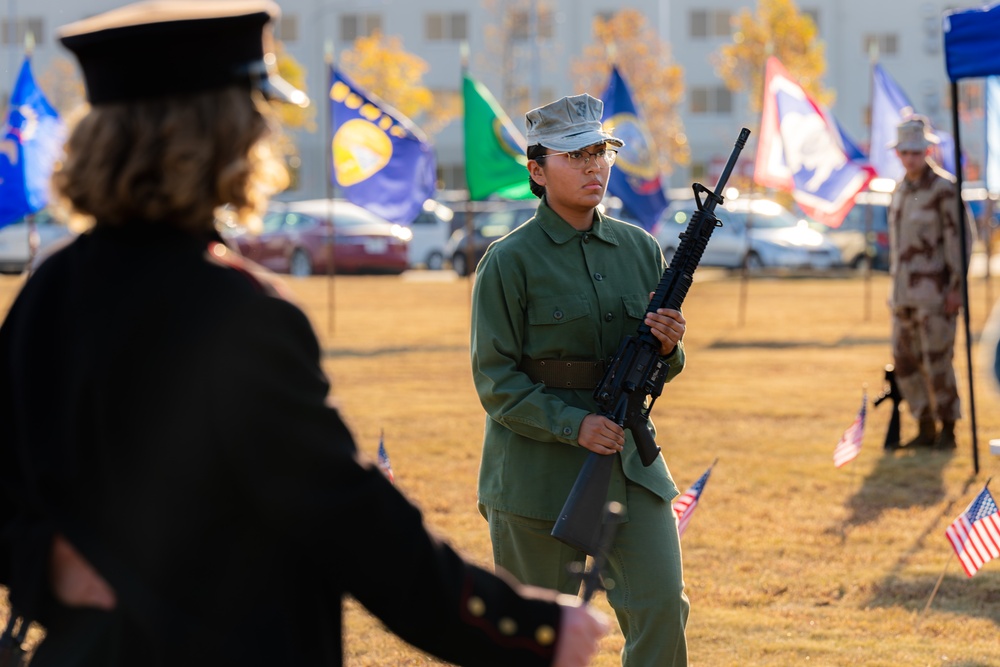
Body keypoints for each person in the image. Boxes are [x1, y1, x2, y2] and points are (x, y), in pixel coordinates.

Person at [0, 2, 609, 666]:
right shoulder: (237, 312)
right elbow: (349, 517)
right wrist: (529, 630)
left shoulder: (47, 293)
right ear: (214, 134)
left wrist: (47, 566)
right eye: (255, 114)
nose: (263, 132)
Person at [470, 93, 690, 666]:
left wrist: (668, 346)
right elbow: (496, 381)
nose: (594, 165)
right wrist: (575, 426)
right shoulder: (509, 260)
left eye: (600, 151)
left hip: (629, 462)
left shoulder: (640, 249)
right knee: (536, 636)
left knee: (663, 606)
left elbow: (661, 369)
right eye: (575, 155)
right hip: (537, 476)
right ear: (537, 171)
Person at [887, 115, 971, 451]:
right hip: (904, 295)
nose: (911, 158)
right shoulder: (899, 189)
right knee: (905, 362)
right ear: (898, 154)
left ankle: (947, 429)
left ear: (927, 150)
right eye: (905, 152)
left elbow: (961, 243)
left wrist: (957, 289)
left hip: (936, 295)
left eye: (916, 152)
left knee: (937, 360)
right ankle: (924, 426)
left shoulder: (944, 189)